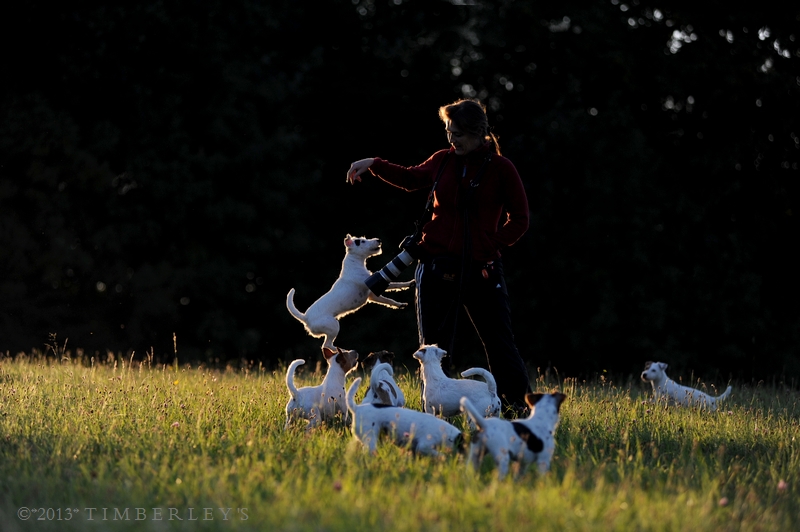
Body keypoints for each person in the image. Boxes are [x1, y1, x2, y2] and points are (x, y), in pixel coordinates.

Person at [346, 98, 532, 413]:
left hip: (482, 270)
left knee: (500, 344)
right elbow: (409, 178)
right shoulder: (442, 160)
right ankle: (435, 415)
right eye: (448, 132)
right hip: (435, 267)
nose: (451, 139)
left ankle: (518, 411)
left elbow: (521, 220)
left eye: (458, 134)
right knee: (433, 348)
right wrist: (374, 164)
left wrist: (488, 246)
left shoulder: (502, 169)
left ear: (479, 133)